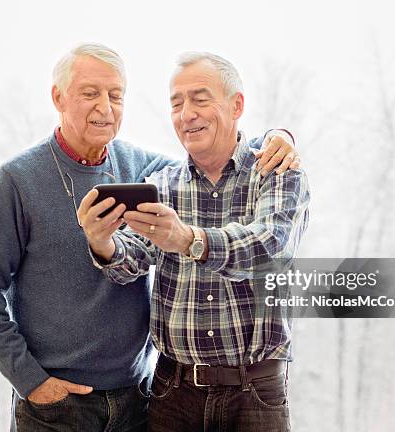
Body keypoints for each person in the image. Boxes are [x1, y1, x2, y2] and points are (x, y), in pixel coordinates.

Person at [0, 43, 300, 432]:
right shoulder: (18, 180)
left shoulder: (148, 170)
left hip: (136, 399)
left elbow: (215, 161)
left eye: (115, 95)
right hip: (56, 405)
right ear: (58, 97)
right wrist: (31, 381)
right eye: (90, 93)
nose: (104, 107)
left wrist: (279, 137)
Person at [81, 51, 310, 432]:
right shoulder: (163, 184)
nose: (187, 114)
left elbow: (272, 248)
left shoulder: (276, 172)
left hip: (255, 392)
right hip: (174, 391)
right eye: (176, 103)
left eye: (200, 99)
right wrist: (102, 242)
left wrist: (189, 239)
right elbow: (133, 257)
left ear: (236, 105)